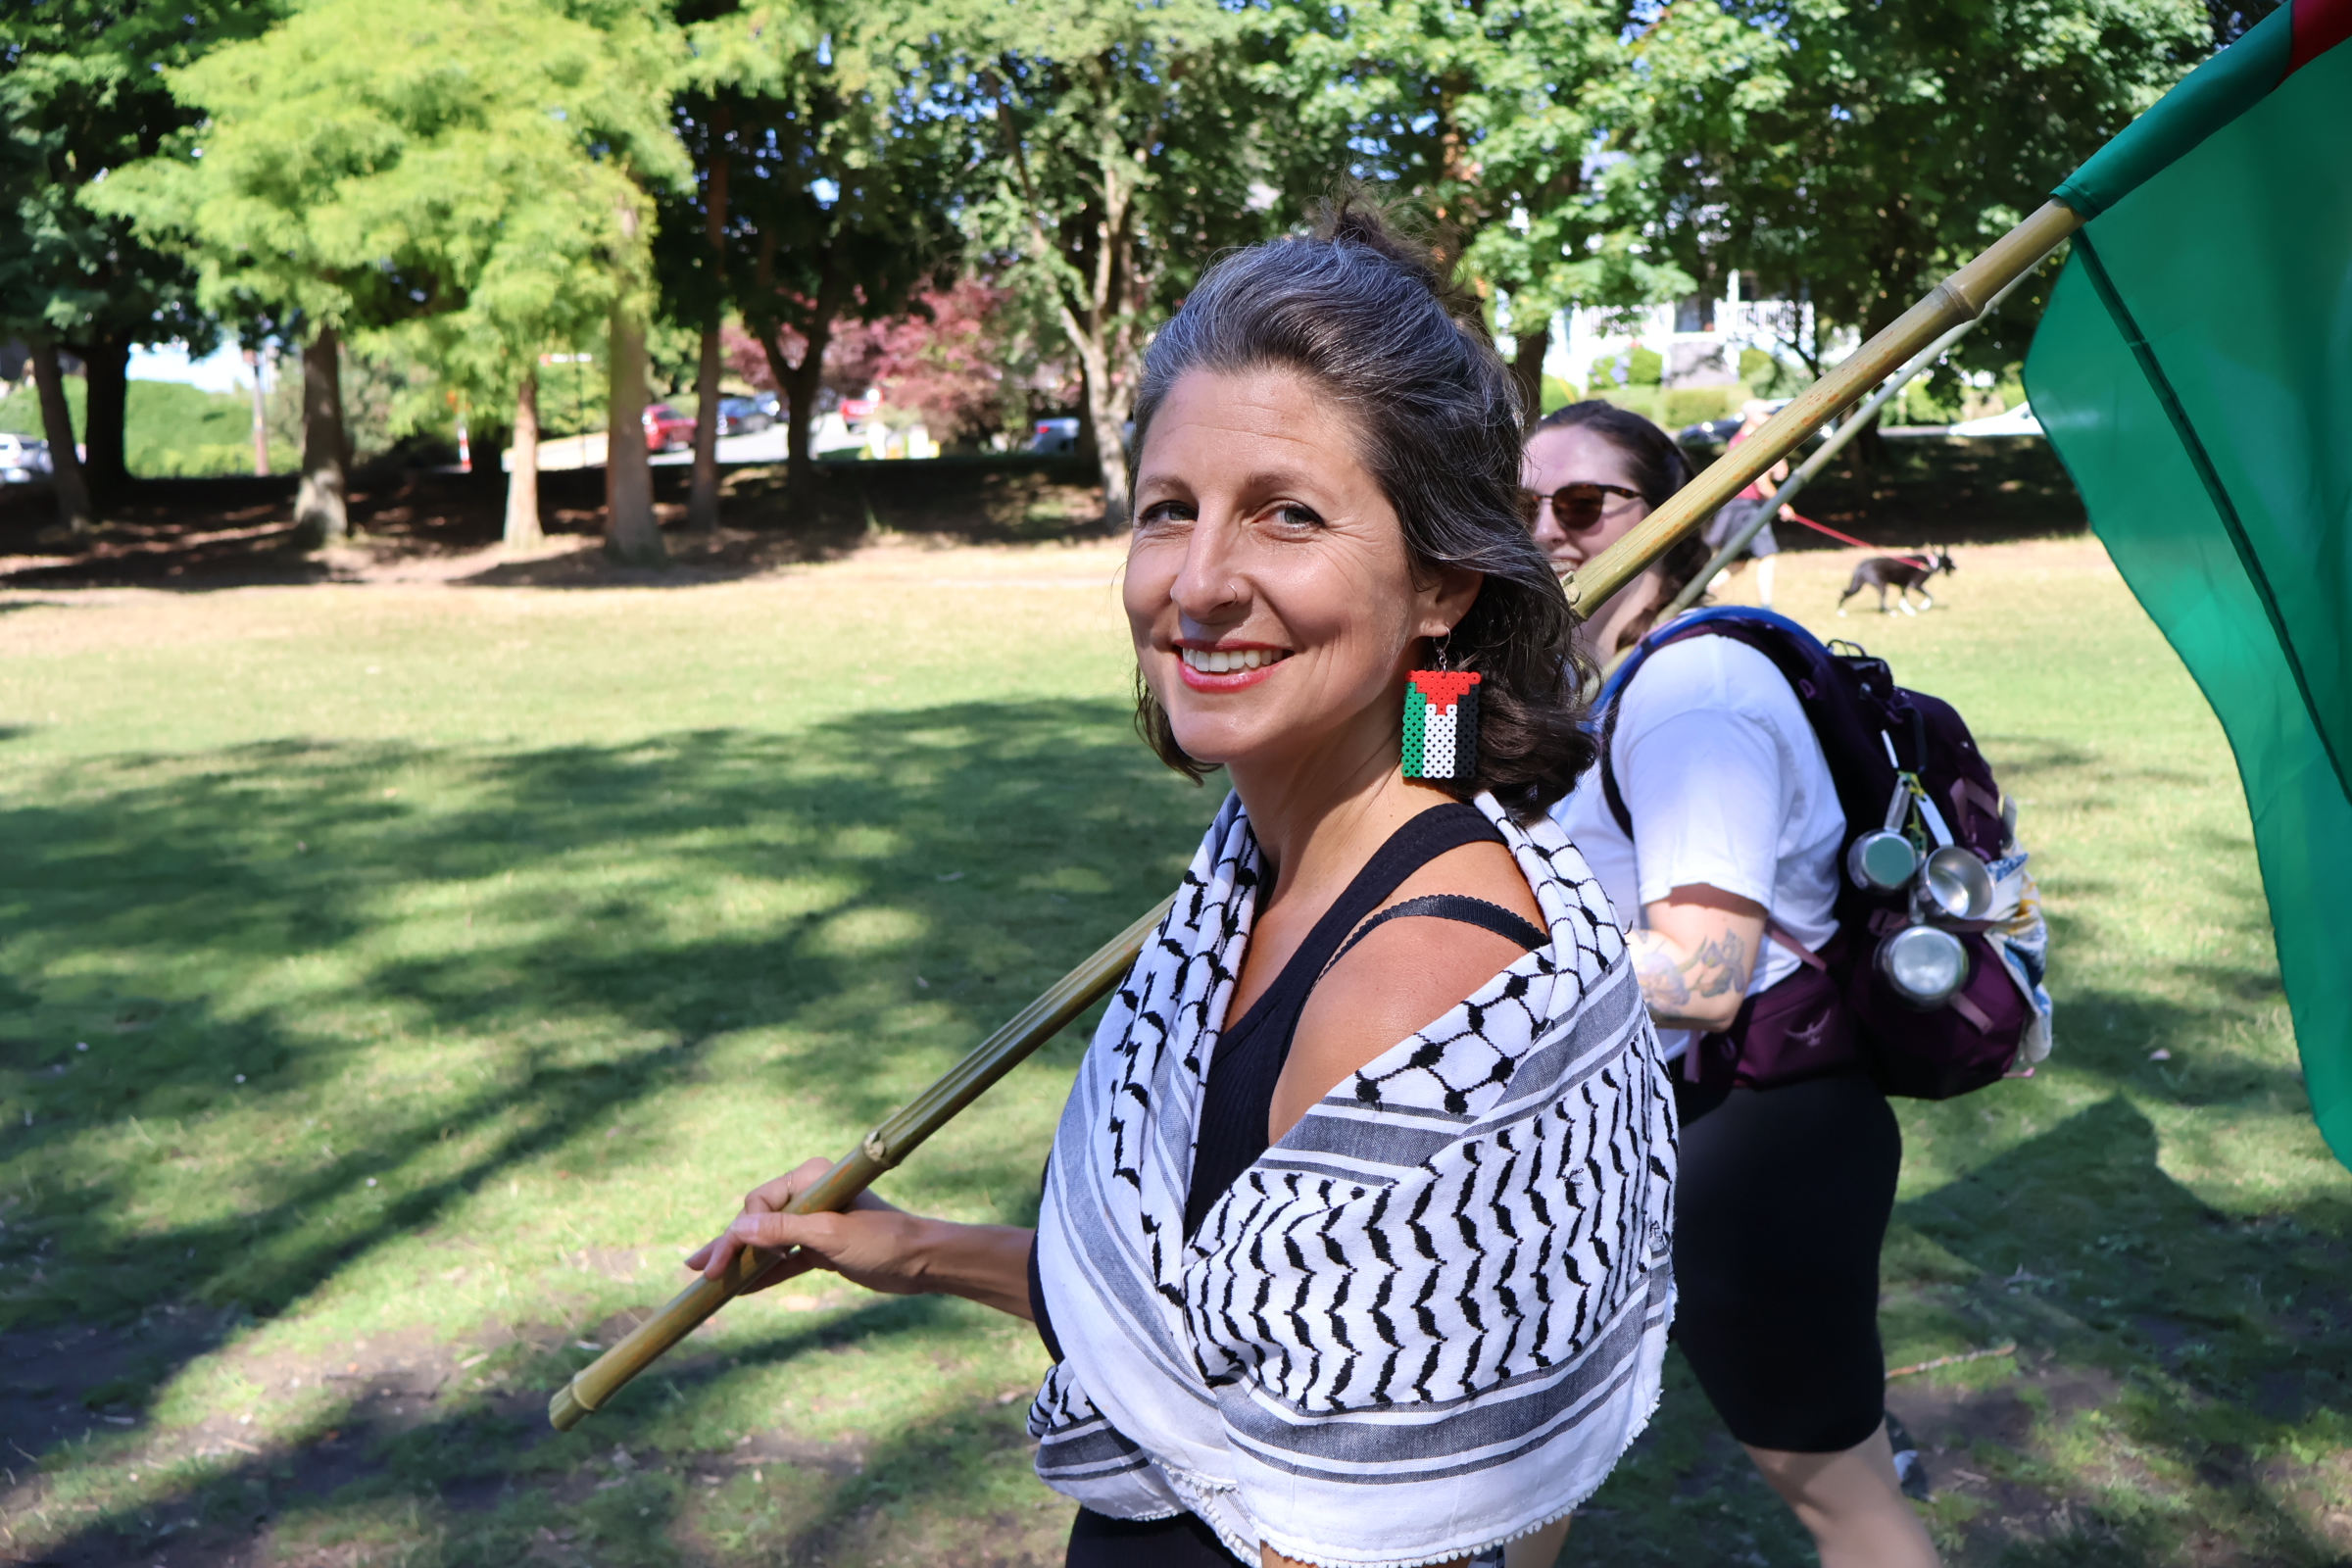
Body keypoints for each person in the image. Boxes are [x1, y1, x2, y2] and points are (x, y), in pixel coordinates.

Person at [686, 204, 1678, 1568]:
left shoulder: (1410, 981)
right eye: (1170, 512)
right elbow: (1210, 1314)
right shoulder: (1272, 864)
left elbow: (1353, 1524)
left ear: (1442, 581)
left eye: (1287, 515)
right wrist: (903, 1248)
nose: (1199, 584)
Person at [1523, 400, 1939, 1568]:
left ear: (1670, 520)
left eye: (1584, 504)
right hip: (1611, 1130)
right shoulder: (1572, 682)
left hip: (1751, 1140)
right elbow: (1421, 830)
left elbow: (1706, 974)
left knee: (1843, 1503)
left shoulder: (1689, 691)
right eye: (1516, 507)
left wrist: (1479, 974)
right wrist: (1436, 670)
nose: (1547, 531)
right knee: (1510, 1478)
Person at [1700, 399, 1794, 609]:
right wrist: (1782, 506)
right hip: (1746, 508)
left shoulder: (1739, 441)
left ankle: (1701, 592)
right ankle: (1767, 607)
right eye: (1765, 414)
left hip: (1736, 506)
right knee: (1767, 556)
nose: (1770, 418)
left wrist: (1775, 469)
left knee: (1739, 563)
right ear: (1752, 416)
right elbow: (1761, 484)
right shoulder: (1750, 443)